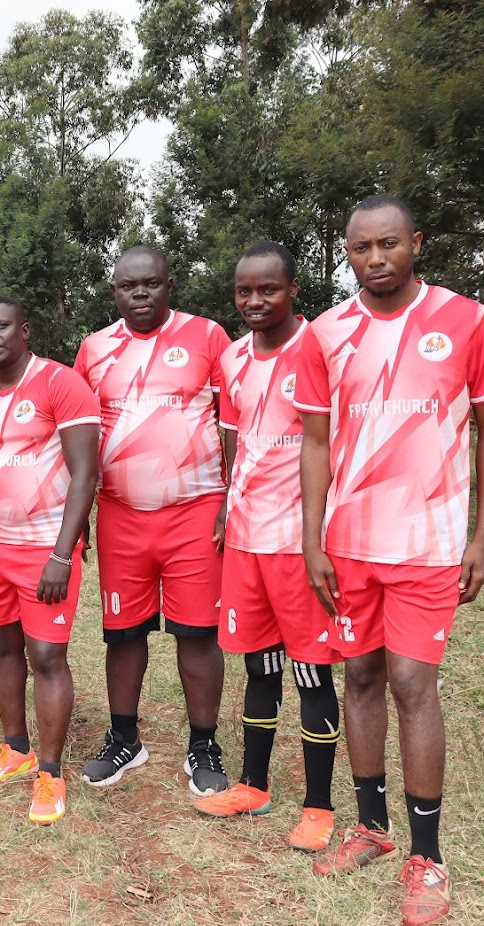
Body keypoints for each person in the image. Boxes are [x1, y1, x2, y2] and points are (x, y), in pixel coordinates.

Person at [297, 195, 484, 926]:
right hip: (350, 543)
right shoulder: (326, 332)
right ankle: (371, 826)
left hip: (428, 543)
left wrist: (480, 536)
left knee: (412, 684)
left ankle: (428, 854)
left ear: (415, 243)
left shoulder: (466, 321)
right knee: (358, 674)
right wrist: (312, 536)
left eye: (389, 244)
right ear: (349, 254)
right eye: (361, 248)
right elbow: (317, 442)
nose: (376, 258)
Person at [192, 242, 342, 853]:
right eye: (244, 292)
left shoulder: (321, 349)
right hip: (248, 538)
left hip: (299, 540)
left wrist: (321, 534)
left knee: (310, 669)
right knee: (258, 662)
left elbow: (330, 442)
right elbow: (236, 440)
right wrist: (228, 506)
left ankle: (319, 804)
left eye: (268, 290)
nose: (255, 302)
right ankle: (253, 784)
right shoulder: (231, 358)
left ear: (294, 289)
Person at [73, 246, 232, 796]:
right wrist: (82, 515)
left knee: (198, 635)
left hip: (196, 511)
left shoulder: (209, 337)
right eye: (128, 287)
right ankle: (124, 739)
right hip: (120, 513)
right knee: (123, 633)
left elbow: (233, 421)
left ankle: (203, 744)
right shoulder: (94, 349)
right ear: (115, 291)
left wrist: (232, 496)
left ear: (169, 286)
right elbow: (80, 437)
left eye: (151, 284)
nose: (140, 295)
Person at [0, 297, 100, 825]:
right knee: (2, 649)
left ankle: (50, 774)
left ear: (24, 329)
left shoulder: (59, 383)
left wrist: (61, 553)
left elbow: (85, 475)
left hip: (42, 548)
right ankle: (16, 748)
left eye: (2, 326)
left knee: (46, 656)